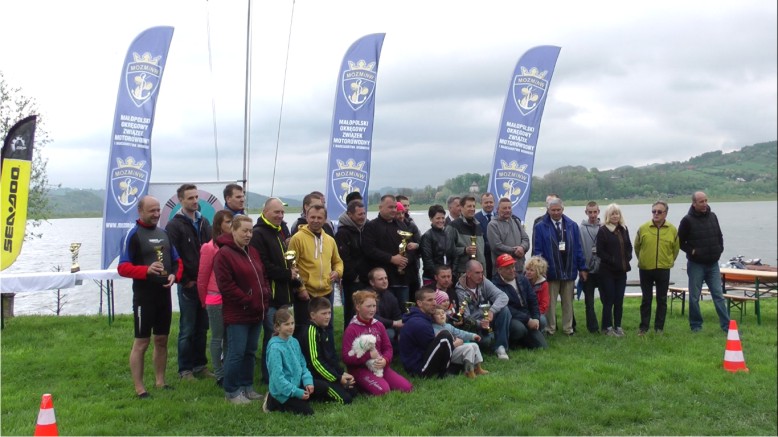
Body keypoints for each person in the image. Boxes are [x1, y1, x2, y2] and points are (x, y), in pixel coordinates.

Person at [118, 195, 182, 398]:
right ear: (140, 211)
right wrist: (146, 271)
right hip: (144, 297)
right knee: (142, 342)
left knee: (162, 339)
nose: (156, 214)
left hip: (164, 295)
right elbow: (122, 267)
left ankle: (160, 381)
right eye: (151, 211)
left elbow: (177, 261)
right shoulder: (133, 234)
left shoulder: (164, 233)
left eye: (158, 210)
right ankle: (139, 388)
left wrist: (175, 276)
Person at [213, 215, 270, 404]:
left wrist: (265, 293)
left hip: (256, 311)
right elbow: (226, 286)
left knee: (250, 351)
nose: (248, 234)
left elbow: (262, 276)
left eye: (250, 231)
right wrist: (247, 300)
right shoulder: (224, 254)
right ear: (233, 231)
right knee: (236, 352)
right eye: (244, 231)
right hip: (238, 313)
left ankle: (247, 386)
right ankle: (231, 391)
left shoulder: (252, 251)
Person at [250, 197, 301, 384]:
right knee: (272, 338)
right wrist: (288, 274)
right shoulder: (259, 234)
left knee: (285, 336)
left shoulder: (279, 231)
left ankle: (284, 373)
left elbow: (284, 261)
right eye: (276, 212)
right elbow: (263, 266)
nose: (280, 215)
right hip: (270, 296)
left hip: (284, 294)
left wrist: (293, 275)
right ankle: (268, 376)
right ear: (265, 212)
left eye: (282, 212)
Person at [165, 184, 213, 381]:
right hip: (188, 285)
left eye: (196, 197)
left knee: (203, 327)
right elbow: (172, 256)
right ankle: (185, 369)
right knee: (187, 328)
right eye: (190, 198)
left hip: (205, 284)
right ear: (181, 200)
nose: (194, 201)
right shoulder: (174, 225)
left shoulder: (204, 222)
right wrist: (184, 280)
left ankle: (199, 365)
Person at [288, 204, 343, 348]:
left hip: (326, 292)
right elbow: (292, 266)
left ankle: (328, 358)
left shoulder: (330, 240)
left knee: (327, 327)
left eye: (319, 218)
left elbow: (338, 261)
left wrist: (337, 272)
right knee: (304, 329)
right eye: (312, 217)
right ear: (306, 217)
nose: (315, 220)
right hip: (306, 293)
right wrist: (300, 289)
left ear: (325, 219)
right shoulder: (297, 238)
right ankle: (304, 361)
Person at [532, 197, 587, 336]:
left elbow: (578, 248)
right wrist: (539, 270)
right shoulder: (540, 227)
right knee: (550, 303)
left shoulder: (572, 225)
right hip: (551, 272)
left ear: (563, 209)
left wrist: (582, 268)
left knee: (568, 302)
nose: (556, 213)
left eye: (558, 210)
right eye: (553, 210)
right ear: (548, 210)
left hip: (569, 269)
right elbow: (537, 250)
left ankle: (568, 328)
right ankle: (550, 328)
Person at [342, 290, 413, 395]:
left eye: (374, 306)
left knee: (407, 388)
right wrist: (368, 355)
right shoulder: (351, 329)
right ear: (358, 307)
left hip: (380, 366)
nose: (372, 310)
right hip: (361, 369)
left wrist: (385, 360)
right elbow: (346, 358)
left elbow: (388, 348)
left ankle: (379, 381)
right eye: (368, 306)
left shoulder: (378, 325)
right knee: (383, 391)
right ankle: (360, 384)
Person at [678, 191, 730, 333]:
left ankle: (727, 327)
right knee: (694, 297)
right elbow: (680, 242)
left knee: (718, 296)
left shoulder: (713, 216)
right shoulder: (687, 220)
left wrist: (720, 248)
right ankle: (696, 326)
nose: (705, 203)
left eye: (706, 200)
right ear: (694, 203)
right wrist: (693, 251)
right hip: (696, 265)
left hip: (713, 264)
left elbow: (719, 235)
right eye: (701, 201)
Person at [295, 297, 357, 405]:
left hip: (325, 374)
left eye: (329, 313)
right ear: (313, 315)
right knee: (345, 399)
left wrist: (341, 372)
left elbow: (330, 357)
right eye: (324, 313)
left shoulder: (323, 329)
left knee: (353, 391)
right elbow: (315, 362)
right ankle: (315, 394)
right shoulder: (311, 331)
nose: (328, 316)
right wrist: (338, 378)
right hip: (313, 376)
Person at [196, 209, 233, 387]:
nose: (231, 226)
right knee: (217, 336)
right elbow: (202, 276)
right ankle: (219, 373)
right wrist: (204, 300)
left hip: (230, 298)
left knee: (228, 337)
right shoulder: (209, 247)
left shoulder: (234, 246)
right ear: (219, 225)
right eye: (228, 222)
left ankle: (226, 369)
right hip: (215, 298)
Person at [362, 194, 417, 311]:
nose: (393, 210)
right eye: (390, 207)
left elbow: (411, 247)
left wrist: (405, 260)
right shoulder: (371, 226)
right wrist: (391, 258)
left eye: (394, 207)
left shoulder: (402, 225)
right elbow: (369, 250)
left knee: (404, 311)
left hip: (402, 279)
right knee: (384, 311)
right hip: (382, 280)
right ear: (380, 207)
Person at [264, 307, 322, 415]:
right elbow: (278, 378)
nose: (291, 327)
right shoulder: (275, 348)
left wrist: (308, 381)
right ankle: (272, 401)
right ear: (277, 327)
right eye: (286, 324)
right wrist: (297, 392)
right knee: (308, 412)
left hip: (296, 384)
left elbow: (302, 364)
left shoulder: (294, 341)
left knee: (322, 388)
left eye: (292, 323)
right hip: (282, 391)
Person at [634, 201, 680, 336]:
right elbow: (637, 247)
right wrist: (643, 259)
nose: (656, 214)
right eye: (654, 211)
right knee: (646, 299)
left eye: (659, 212)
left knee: (662, 299)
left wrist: (669, 261)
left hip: (663, 268)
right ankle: (643, 328)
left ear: (665, 213)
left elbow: (675, 249)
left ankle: (659, 328)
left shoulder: (672, 229)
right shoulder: (643, 228)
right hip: (645, 268)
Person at [455, 260, 511, 360]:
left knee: (504, 310)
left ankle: (500, 347)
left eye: (482, 272)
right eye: (477, 273)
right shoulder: (460, 290)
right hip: (475, 326)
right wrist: (479, 324)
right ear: (468, 273)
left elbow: (503, 296)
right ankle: (487, 341)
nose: (481, 275)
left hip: (487, 318)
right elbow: (466, 317)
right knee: (486, 342)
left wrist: (492, 311)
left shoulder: (484, 281)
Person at [491, 254, 547, 349]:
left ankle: (527, 336)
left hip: (526, 314)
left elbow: (532, 299)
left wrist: (535, 318)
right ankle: (515, 340)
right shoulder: (495, 285)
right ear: (499, 270)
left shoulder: (522, 279)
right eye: (508, 268)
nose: (512, 270)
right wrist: (528, 320)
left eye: (513, 266)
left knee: (542, 320)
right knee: (519, 329)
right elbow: (508, 308)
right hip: (512, 318)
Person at [398, 287, 455, 378]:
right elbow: (431, 348)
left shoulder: (422, 318)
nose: (434, 303)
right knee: (445, 336)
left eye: (435, 299)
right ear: (419, 303)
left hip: (421, 361)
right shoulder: (418, 323)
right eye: (430, 300)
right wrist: (454, 342)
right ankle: (443, 373)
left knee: (444, 336)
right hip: (418, 368)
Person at [597, 204, 632, 337]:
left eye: (617, 213)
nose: (615, 216)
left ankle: (618, 326)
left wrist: (627, 258)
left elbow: (628, 246)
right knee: (609, 299)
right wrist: (613, 260)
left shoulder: (624, 229)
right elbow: (600, 251)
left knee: (619, 300)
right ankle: (607, 327)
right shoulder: (603, 230)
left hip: (621, 272)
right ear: (608, 216)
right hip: (607, 272)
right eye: (612, 214)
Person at [335, 199, 369, 330]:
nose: (363, 217)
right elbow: (344, 258)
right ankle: (348, 342)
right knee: (351, 313)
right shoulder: (342, 233)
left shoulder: (366, 228)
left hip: (366, 279)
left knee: (366, 312)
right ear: (350, 215)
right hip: (352, 281)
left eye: (364, 213)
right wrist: (354, 276)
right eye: (359, 214)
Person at [431, 306, 488, 379]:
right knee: (469, 348)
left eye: (443, 313)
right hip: (447, 353)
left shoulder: (448, 326)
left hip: (455, 348)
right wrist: (455, 343)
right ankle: (469, 371)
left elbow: (460, 333)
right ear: (433, 318)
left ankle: (478, 368)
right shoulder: (434, 329)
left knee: (474, 345)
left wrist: (472, 336)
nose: (442, 315)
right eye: (438, 314)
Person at [487, 197, 530, 279]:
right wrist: (515, 251)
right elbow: (496, 246)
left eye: (509, 208)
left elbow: (525, 239)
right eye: (504, 208)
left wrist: (522, 247)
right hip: (503, 272)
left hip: (519, 269)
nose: (507, 210)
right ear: (498, 209)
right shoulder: (492, 225)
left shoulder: (516, 221)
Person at [446, 195, 486, 278]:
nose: (472, 209)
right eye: (469, 206)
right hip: (462, 273)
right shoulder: (453, 226)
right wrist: (464, 250)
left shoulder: (478, 226)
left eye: (474, 206)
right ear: (461, 207)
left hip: (480, 273)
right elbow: (447, 250)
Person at [579, 201, 602, 333]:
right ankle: (592, 328)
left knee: (606, 299)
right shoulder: (581, 228)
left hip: (602, 270)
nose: (592, 215)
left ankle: (606, 325)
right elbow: (579, 249)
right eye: (590, 212)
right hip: (587, 271)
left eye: (595, 212)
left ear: (598, 212)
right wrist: (582, 269)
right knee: (589, 301)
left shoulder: (604, 227)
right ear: (586, 212)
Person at [367, 267, 404, 350]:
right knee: (388, 335)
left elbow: (397, 316)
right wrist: (393, 323)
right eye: (380, 279)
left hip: (387, 328)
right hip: (369, 329)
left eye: (386, 278)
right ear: (372, 282)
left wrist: (400, 332)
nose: (385, 281)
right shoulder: (366, 296)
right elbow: (372, 317)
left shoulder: (390, 296)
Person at [396, 196, 422, 298]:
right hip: (397, 272)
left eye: (407, 205)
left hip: (413, 268)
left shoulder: (411, 224)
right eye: (404, 205)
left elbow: (421, 244)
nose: (406, 208)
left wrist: (417, 245)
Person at [420, 205, 449, 285]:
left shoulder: (447, 234)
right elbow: (428, 261)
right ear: (431, 219)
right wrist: (438, 276)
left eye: (443, 218)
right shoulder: (427, 236)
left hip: (446, 277)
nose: (441, 221)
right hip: (432, 277)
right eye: (438, 218)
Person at [524, 256, 550, 331]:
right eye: (527, 269)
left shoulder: (544, 284)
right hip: (524, 311)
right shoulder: (522, 281)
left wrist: (534, 315)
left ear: (538, 272)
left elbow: (544, 304)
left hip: (537, 312)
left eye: (532, 270)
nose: (528, 272)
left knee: (541, 320)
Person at [474, 193, 496, 277]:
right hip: (484, 258)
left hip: (497, 258)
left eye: (491, 202)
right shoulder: (475, 218)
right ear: (481, 203)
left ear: (494, 202)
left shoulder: (499, 217)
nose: (489, 204)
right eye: (486, 202)